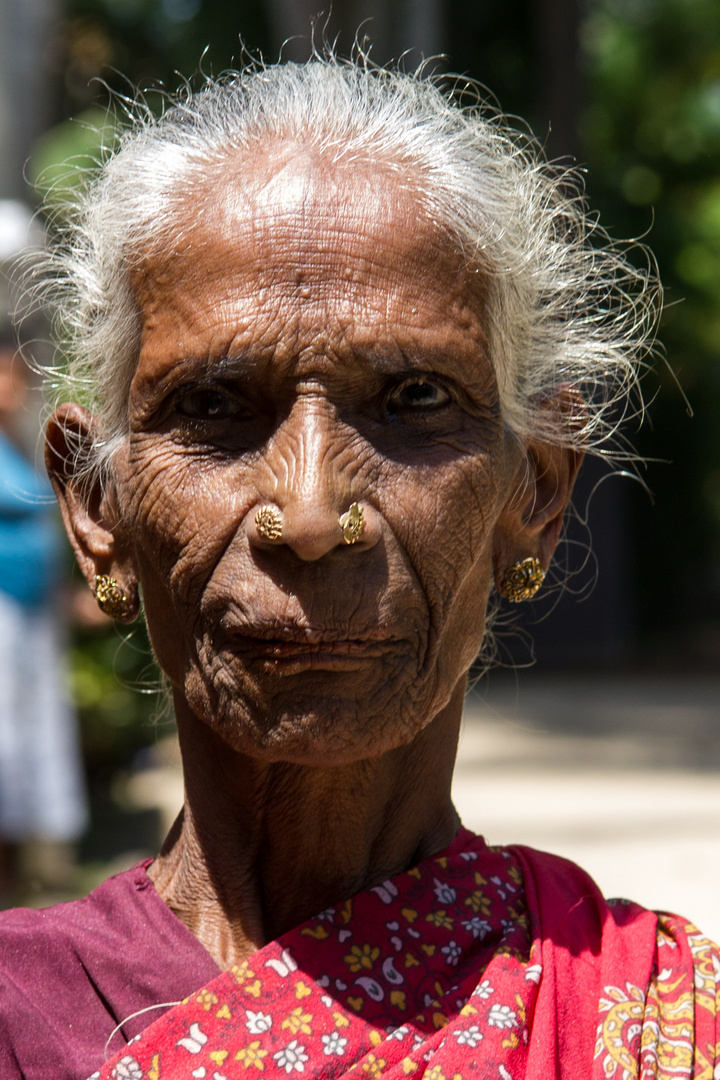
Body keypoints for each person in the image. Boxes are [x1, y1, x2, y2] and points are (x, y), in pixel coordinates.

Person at [1, 56, 716, 1079]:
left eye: (416, 400)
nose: (308, 515)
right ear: (95, 506)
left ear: (538, 494)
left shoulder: (648, 1023)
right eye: (214, 407)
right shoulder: (25, 1021)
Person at [0, 335, 88, 899]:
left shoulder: (20, 449)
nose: (14, 387)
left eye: (17, 377)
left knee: (34, 740)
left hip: (33, 615)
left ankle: (26, 875)